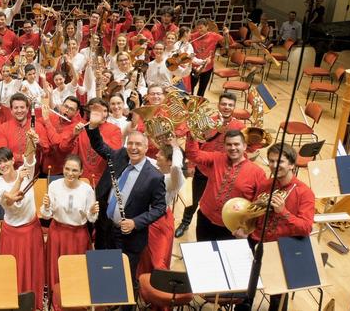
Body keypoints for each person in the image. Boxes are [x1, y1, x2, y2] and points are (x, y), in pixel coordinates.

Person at [85, 104, 167, 282]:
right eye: (130, 143)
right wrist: (93, 127)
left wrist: (136, 222)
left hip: (129, 237)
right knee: (102, 273)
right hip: (105, 228)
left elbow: (160, 207)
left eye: (138, 144)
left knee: (123, 280)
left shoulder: (154, 176)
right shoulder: (120, 155)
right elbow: (99, 145)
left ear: (146, 148)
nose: (133, 148)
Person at [236, 144, 315, 311]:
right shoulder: (266, 184)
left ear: (292, 164)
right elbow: (254, 214)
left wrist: (283, 212)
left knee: (277, 301)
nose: (274, 165)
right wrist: (245, 228)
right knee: (244, 293)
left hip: (280, 250)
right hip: (256, 242)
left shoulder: (304, 192)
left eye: (280, 161)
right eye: (271, 161)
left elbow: (306, 228)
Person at [175, 92, 246, 238]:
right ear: (218, 105)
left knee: (219, 201)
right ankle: (185, 222)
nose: (226, 107)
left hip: (224, 172)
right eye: (224, 104)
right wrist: (191, 165)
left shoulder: (240, 126)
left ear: (234, 107)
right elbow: (196, 142)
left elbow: (245, 148)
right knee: (194, 198)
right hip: (203, 168)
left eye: (230, 105)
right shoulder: (208, 121)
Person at [0, 146, 45, 310]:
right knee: (12, 270)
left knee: (33, 268)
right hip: (11, 233)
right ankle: (12, 303)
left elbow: (30, 157)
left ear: (12, 160)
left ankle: (34, 303)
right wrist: (19, 180)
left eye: (5, 160)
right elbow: (9, 201)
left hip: (31, 229)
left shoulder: (25, 171)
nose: (3, 165)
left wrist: (31, 139)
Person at [184, 129, 266, 241]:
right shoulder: (216, 158)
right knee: (203, 249)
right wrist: (192, 134)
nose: (233, 148)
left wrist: (247, 228)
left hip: (232, 227)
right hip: (205, 219)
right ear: (225, 146)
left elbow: (260, 205)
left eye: (236, 144)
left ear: (244, 146)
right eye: (229, 144)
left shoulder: (258, 173)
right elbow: (193, 155)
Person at [40, 155, 98, 311]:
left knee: (76, 271)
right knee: (56, 270)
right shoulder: (54, 185)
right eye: (67, 169)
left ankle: (75, 304)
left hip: (78, 236)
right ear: (63, 168)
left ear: (81, 171)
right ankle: (55, 304)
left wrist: (93, 212)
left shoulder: (87, 189)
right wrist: (46, 206)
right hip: (57, 233)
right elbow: (46, 215)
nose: (70, 173)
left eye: (74, 170)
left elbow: (91, 218)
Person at [137, 141, 185, 277]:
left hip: (160, 220)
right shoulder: (154, 166)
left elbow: (176, 166)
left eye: (161, 154)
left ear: (169, 161)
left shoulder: (175, 179)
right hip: (144, 215)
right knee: (143, 256)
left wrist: (176, 147)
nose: (157, 155)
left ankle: (158, 288)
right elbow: (141, 156)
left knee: (158, 260)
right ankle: (142, 285)